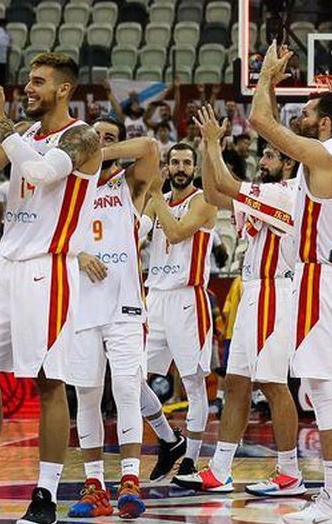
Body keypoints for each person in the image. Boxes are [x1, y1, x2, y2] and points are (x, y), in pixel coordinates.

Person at [0, 55, 102, 524]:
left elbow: (40, 174)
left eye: (39, 82)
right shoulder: (24, 134)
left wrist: (1, 123)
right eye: (29, 81)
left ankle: (45, 495)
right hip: (6, 264)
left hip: (49, 267)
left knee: (48, 382)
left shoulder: (83, 136)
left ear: (64, 90)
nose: (29, 88)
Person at [248, 42, 332, 523]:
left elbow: (260, 122)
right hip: (326, 276)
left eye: (309, 110)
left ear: (323, 125)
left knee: (322, 386)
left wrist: (267, 80)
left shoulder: (322, 156)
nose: (301, 114)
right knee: (318, 386)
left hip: (319, 277)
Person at [175, 107, 307, 498]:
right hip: (253, 290)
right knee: (235, 384)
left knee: (272, 382)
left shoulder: (285, 194)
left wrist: (215, 143)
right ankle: (219, 469)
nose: (261, 161)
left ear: (287, 162)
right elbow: (215, 194)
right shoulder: (266, 191)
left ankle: (289, 472)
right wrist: (205, 145)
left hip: (275, 291)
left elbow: (228, 185)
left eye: (268, 156)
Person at [63, 116, 158, 518]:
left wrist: (99, 149)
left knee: (125, 390)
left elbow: (151, 148)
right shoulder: (65, 188)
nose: (103, 144)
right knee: (86, 396)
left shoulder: (128, 186)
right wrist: (77, 254)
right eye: (95, 137)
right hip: (81, 307)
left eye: (111, 139)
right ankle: (94, 484)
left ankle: (130, 481)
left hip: (124, 308)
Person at [137, 141, 219, 484]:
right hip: (155, 297)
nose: (181, 167)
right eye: (175, 162)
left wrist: (154, 195)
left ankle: (190, 461)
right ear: (167, 167)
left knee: (193, 385)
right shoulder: (159, 200)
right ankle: (169, 439)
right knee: (131, 377)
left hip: (189, 300)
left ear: (195, 168)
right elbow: (134, 234)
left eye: (187, 162)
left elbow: (176, 231)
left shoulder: (204, 200)